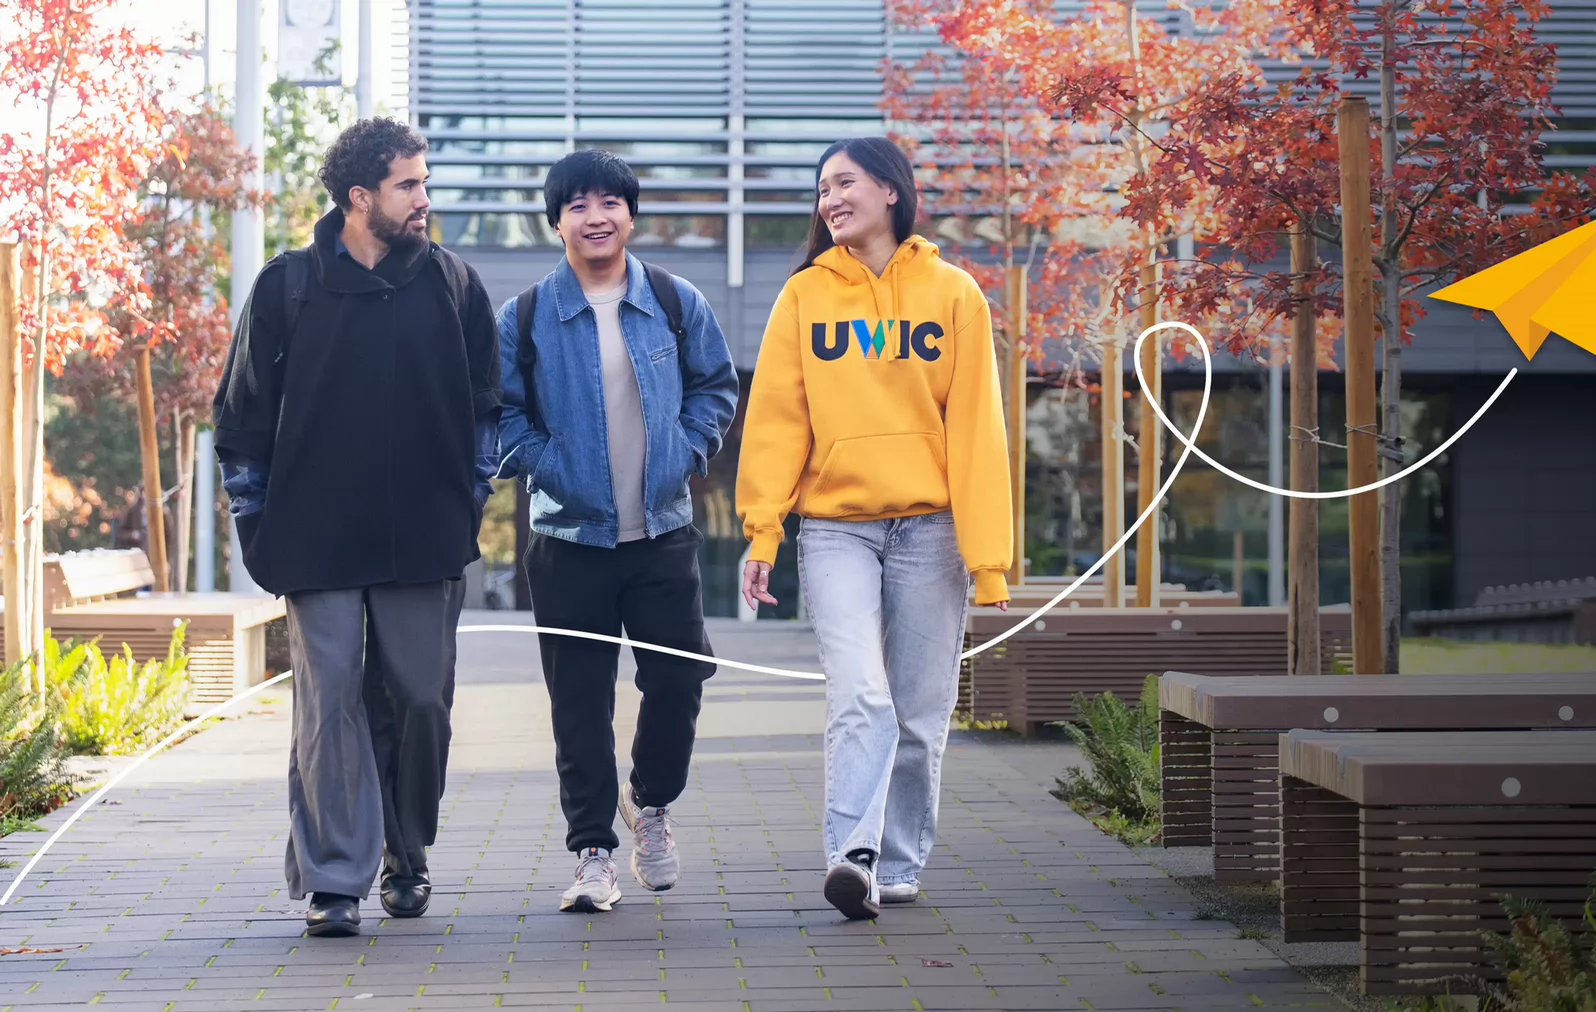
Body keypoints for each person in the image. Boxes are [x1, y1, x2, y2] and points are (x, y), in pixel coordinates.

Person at [211, 118, 501, 938]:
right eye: (409, 184)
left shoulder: (453, 283)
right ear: (359, 196)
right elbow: (239, 420)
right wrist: (257, 518)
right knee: (329, 699)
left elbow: (489, 406)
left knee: (419, 700)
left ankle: (406, 855)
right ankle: (335, 878)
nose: (424, 199)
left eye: (424, 182)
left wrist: (471, 493)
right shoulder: (287, 287)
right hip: (315, 535)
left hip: (426, 533)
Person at [734, 137, 1012, 921]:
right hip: (836, 531)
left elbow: (978, 433)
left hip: (932, 530)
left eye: (844, 182)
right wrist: (765, 531)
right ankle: (850, 854)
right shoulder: (803, 297)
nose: (829, 199)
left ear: (891, 190)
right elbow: (777, 423)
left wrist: (989, 562)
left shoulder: (955, 292)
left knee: (921, 714)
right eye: (821, 188)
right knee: (861, 694)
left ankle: (896, 863)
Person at [496, 150, 738, 913]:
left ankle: (652, 804)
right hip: (568, 541)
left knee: (679, 677)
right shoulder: (527, 316)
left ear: (630, 215)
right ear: (557, 220)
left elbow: (715, 387)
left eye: (609, 202)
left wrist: (687, 452)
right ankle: (593, 853)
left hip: (662, 531)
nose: (595, 215)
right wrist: (550, 465)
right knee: (579, 701)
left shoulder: (674, 299)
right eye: (577, 205)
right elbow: (499, 415)